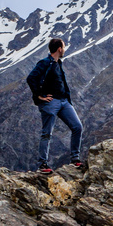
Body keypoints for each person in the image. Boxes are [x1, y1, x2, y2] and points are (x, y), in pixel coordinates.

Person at [26, 38, 84, 174]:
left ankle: (75, 159)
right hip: (50, 102)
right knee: (46, 133)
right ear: (59, 49)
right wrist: (40, 95)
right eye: (63, 47)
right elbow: (31, 78)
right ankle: (42, 165)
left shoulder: (58, 63)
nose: (64, 49)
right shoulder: (45, 63)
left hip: (64, 101)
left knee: (77, 127)